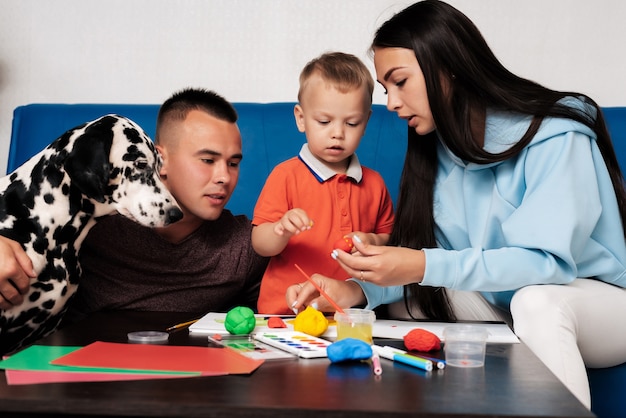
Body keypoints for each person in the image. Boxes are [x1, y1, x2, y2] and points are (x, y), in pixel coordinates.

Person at [287, 0, 626, 409]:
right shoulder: (438, 152)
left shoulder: (557, 134)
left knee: (537, 302)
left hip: (600, 305)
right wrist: (353, 290)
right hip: (504, 299)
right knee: (404, 301)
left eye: (400, 82)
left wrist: (421, 264)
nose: (391, 103)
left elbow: (546, 264)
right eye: (385, 89)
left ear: (447, 68)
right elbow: (444, 261)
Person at [0, 88, 268, 323]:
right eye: (208, 160)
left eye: (233, 163)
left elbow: (284, 307)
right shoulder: (95, 218)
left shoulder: (246, 244)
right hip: (78, 365)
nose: (224, 177)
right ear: (158, 160)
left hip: (189, 373)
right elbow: (21, 207)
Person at [252, 52, 395, 314]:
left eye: (351, 123)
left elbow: (390, 240)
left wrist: (372, 240)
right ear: (301, 118)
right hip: (285, 311)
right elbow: (260, 244)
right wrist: (280, 229)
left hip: (349, 312)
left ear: (366, 124)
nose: (338, 133)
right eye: (324, 121)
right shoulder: (285, 175)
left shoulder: (375, 183)